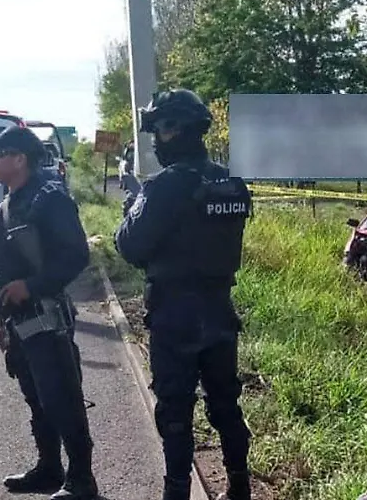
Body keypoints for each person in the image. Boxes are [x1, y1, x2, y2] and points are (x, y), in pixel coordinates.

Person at [115, 89, 254, 500]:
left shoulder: (164, 187)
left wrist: (133, 205)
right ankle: (239, 486)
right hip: (219, 310)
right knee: (225, 403)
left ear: (184, 130)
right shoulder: (231, 181)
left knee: (175, 410)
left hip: (175, 315)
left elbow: (130, 247)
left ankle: (176, 491)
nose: (157, 138)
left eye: (162, 128)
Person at [0, 125, 98, 500]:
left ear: (20, 159)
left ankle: (81, 480)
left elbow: (76, 255)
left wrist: (33, 286)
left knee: (62, 398)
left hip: (45, 316)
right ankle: (49, 468)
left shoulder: (49, 198)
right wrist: (1, 322)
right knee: (36, 397)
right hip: (17, 319)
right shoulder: (12, 199)